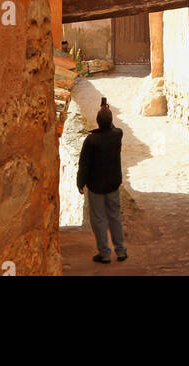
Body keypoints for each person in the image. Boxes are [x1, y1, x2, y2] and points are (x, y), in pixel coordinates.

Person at [77, 99, 128, 264]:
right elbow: (112, 128)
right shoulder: (117, 134)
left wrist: (80, 183)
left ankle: (105, 253)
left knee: (98, 219)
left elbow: (84, 164)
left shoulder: (91, 141)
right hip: (113, 183)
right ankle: (121, 251)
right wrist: (107, 113)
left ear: (98, 122)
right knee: (115, 216)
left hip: (96, 185)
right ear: (111, 121)